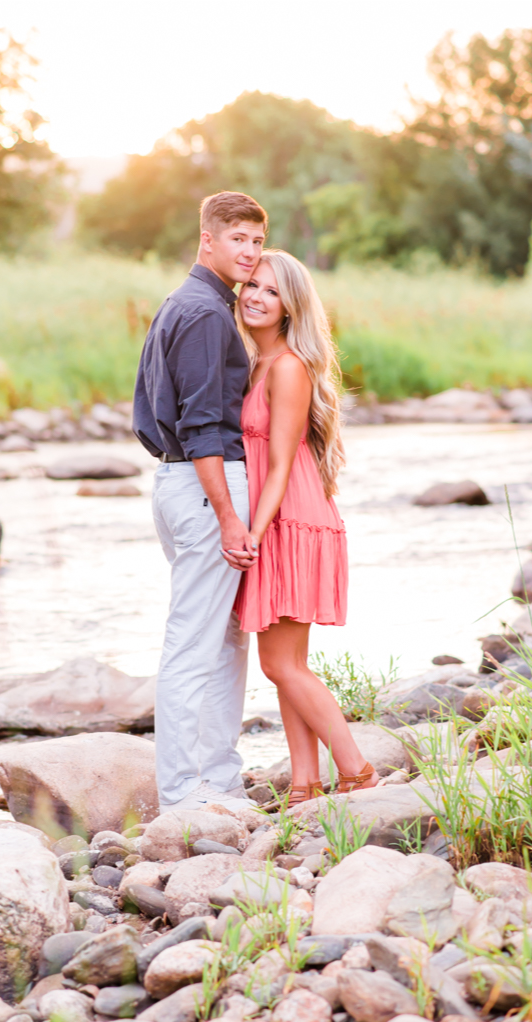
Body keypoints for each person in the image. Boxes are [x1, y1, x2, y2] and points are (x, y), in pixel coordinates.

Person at [133, 190, 266, 815]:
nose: (250, 251)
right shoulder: (207, 314)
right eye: (238, 238)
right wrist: (229, 516)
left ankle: (218, 779)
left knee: (224, 637)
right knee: (196, 642)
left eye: (257, 240)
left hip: (179, 482)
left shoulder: (181, 304)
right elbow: (202, 425)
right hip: (207, 487)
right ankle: (184, 793)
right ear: (207, 239)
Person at [233, 249, 375, 805]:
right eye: (252, 285)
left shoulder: (288, 367)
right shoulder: (258, 363)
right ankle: (304, 785)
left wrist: (254, 532)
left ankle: (357, 770)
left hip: (288, 520)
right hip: (279, 517)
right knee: (287, 665)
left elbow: (281, 463)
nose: (256, 297)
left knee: (279, 663)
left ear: (290, 306)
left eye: (271, 291)